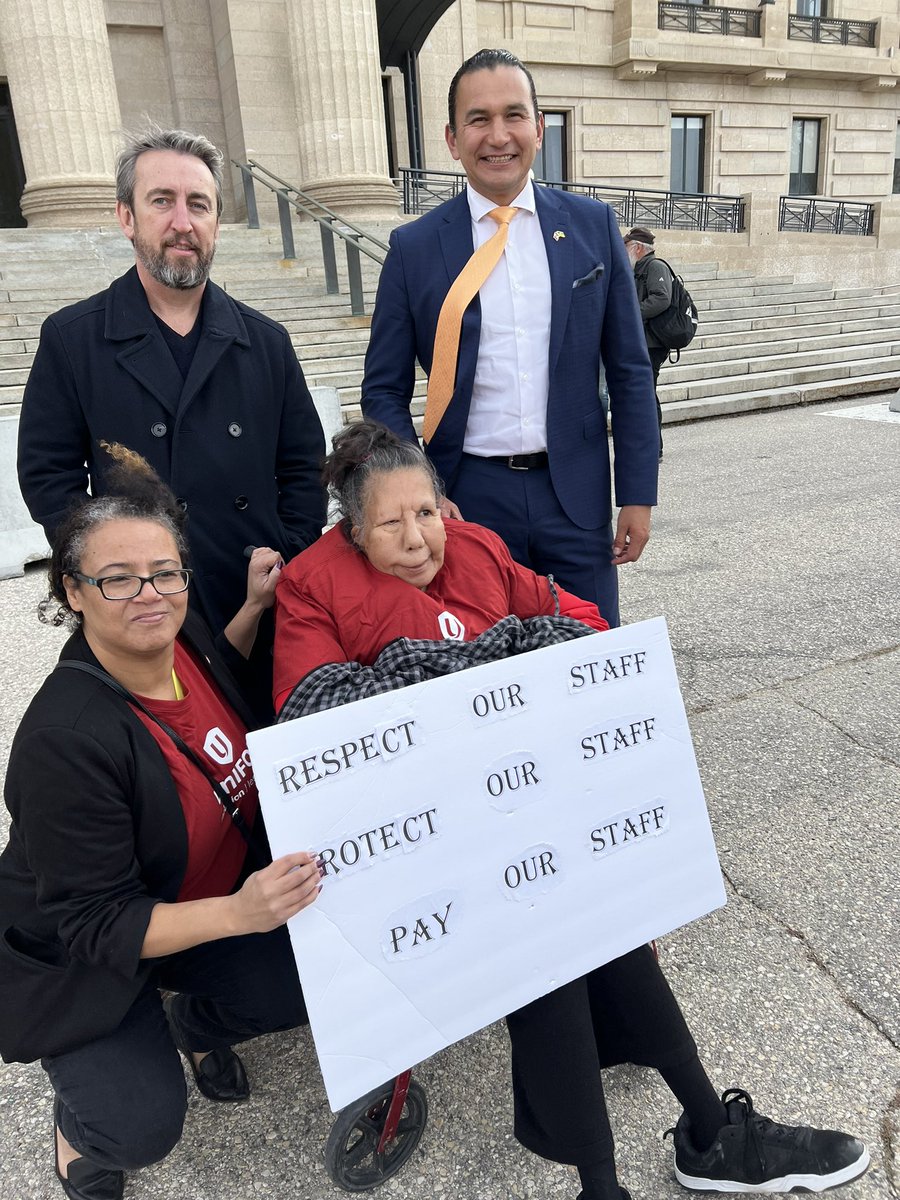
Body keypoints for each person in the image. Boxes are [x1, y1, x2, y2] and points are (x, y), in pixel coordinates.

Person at [272, 419, 870, 1200]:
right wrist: (490, 659)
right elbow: (308, 713)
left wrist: (480, 658)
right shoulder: (314, 583)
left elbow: (581, 625)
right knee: (547, 938)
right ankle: (629, 1167)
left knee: (599, 917)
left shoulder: (477, 546)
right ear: (353, 528)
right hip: (428, 846)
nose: (418, 538)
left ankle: (699, 1131)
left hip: (520, 801)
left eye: (427, 512)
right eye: (390, 522)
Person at [0, 445, 321, 1200]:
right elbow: (95, 926)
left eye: (165, 572)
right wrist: (242, 913)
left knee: (307, 979)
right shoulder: (64, 741)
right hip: (87, 952)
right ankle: (82, 1137)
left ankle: (193, 1028)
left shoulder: (186, 639)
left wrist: (250, 606)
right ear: (72, 593)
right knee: (141, 1129)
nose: (149, 594)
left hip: (184, 902)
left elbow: (221, 677)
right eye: (116, 578)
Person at [16, 123, 326, 713]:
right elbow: (47, 476)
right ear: (127, 217)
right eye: (162, 201)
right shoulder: (72, 339)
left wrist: (289, 553)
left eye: (199, 205)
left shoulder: (266, 342)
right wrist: (105, 573)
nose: (182, 222)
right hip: (139, 608)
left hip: (254, 597)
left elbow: (304, 468)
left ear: (215, 223)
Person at [362, 48, 659, 629]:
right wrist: (419, 491)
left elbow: (629, 369)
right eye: (478, 119)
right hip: (465, 500)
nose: (498, 135)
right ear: (452, 138)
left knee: (592, 654)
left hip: (575, 494)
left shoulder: (591, 226)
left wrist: (638, 492)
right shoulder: (414, 248)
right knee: (487, 669)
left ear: (539, 128)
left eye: (513, 115)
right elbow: (383, 392)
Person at [624, 226, 672, 460]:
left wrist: (632, 313)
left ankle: (655, 448)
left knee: (647, 394)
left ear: (638, 247)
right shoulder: (638, 269)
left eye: (626, 247)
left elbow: (662, 298)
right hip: (643, 341)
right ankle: (648, 445)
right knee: (643, 394)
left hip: (653, 344)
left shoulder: (655, 266)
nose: (624, 252)